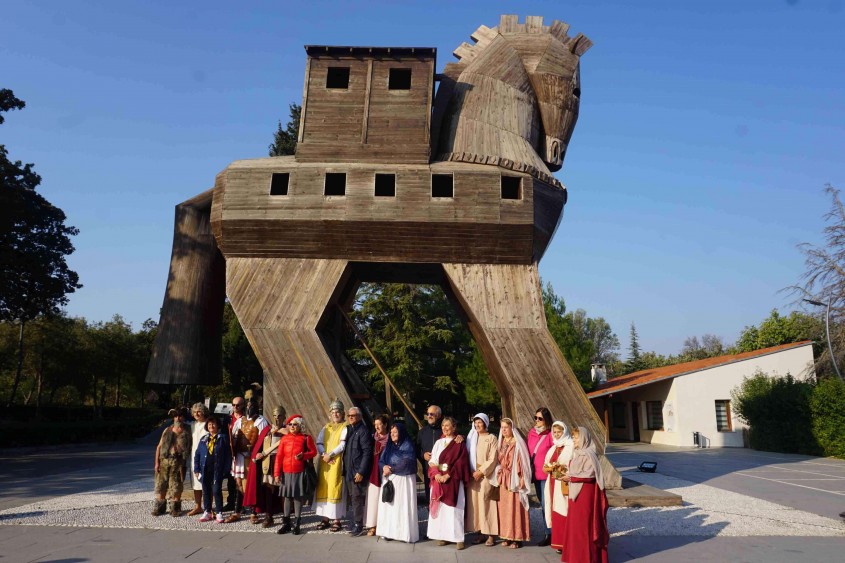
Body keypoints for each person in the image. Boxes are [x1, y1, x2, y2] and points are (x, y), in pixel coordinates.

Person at [560, 426, 609, 563]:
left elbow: (589, 475)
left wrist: (571, 477)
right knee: (575, 526)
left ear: (583, 438)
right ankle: (576, 557)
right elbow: (577, 472)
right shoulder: (578, 453)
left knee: (584, 527)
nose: (574, 440)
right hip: (576, 493)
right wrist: (568, 475)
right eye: (574, 437)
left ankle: (587, 558)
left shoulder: (589, 454)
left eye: (576, 437)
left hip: (585, 494)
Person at [427, 415, 470, 550]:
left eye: (447, 425)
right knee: (441, 509)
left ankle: (458, 538)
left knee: (454, 509)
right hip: (438, 479)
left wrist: (448, 475)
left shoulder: (459, 443)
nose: (444, 428)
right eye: (443, 426)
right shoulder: (439, 443)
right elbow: (433, 461)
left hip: (453, 479)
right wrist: (437, 474)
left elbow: (461, 462)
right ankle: (443, 535)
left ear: (454, 427)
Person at [228, 392, 269, 522]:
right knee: (238, 483)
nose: (250, 408)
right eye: (248, 405)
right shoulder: (240, 421)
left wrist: (260, 454)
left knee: (252, 485)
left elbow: (264, 439)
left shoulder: (261, 421)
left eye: (253, 405)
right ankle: (237, 511)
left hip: (252, 457)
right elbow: (234, 437)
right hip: (239, 455)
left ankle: (253, 513)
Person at [273, 414, 318, 535]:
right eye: (290, 424)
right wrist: (276, 473)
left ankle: (297, 523)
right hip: (286, 472)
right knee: (287, 497)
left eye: (295, 424)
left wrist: (304, 456)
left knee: (298, 497)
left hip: (300, 471)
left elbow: (314, 451)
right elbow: (279, 457)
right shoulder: (284, 439)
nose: (292, 426)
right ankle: (286, 523)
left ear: (300, 425)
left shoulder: (306, 438)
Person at [377, 422, 419, 543]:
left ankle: (402, 533)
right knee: (390, 507)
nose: (393, 434)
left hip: (403, 480)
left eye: (395, 432)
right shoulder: (389, 446)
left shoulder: (407, 445)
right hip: (390, 478)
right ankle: (389, 532)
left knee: (401, 506)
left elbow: (407, 462)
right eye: (391, 432)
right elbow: (381, 460)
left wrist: (392, 469)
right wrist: (384, 467)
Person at [244, 405, 285, 527]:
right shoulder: (267, 429)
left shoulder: (288, 430)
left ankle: (285, 515)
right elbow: (260, 445)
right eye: (275, 416)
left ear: (284, 416)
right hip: (268, 462)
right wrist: (257, 456)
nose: (277, 419)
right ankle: (269, 515)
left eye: (280, 416)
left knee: (283, 490)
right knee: (268, 488)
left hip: (282, 462)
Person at [496, 417, 531, 548]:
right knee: (504, 508)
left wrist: (522, 478)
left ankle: (517, 537)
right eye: (502, 427)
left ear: (512, 428)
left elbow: (524, 462)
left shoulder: (518, 443)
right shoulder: (502, 442)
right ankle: (506, 536)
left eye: (506, 427)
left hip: (514, 478)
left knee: (516, 507)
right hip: (504, 479)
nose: (504, 430)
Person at [314, 398, 348, 531]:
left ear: (343, 413)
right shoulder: (326, 427)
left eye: (338, 411)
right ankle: (325, 518)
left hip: (337, 462)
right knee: (324, 488)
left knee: (335, 488)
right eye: (333, 412)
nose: (335, 414)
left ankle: (337, 520)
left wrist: (330, 455)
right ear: (330, 414)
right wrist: (324, 455)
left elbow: (342, 444)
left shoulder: (345, 427)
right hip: (325, 462)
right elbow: (319, 442)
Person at [465, 412, 499, 546]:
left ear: (485, 423)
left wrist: (481, 471)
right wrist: (471, 471)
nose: (477, 425)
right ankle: (480, 532)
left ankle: (490, 534)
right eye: (476, 422)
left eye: (480, 422)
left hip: (485, 475)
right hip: (472, 475)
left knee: (487, 503)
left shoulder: (491, 438)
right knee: (475, 505)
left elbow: (493, 458)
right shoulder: (471, 438)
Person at [152, 407, 192, 517]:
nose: (178, 418)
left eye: (180, 416)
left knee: (176, 486)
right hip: (164, 461)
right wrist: (156, 463)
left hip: (179, 462)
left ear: (183, 417)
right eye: (175, 416)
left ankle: (175, 508)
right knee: (161, 485)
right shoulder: (167, 430)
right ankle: (160, 508)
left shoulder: (188, 430)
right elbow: (159, 447)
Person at [543, 421, 574, 554]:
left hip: (564, 484)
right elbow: (546, 463)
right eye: (554, 432)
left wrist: (563, 471)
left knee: (565, 511)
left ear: (564, 432)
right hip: (552, 483)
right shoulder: (553, 447)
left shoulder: (571, 446)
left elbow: (574, 464)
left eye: (559, 432)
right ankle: (559, 543)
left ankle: (569, 542)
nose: (556, 434)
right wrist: (548, 468)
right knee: (554, 511)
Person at [193, 416, 232, 523]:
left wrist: (226, 470)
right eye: (209, 424)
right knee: (206, 491)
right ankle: (207, 511)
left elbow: (228, 456)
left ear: (218, 425)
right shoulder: (204, 439)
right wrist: (196, 470)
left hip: (217, 470)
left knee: (216, 490)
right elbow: (197, 455)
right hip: (205, 469)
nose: (211, 426)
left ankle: (219, 512)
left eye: (214, 424)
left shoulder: (223, 438)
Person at [343, 406, 374, 536]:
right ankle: (356, 521)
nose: (350, 417)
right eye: (349, 415)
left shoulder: (363, 431)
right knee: (353, 498)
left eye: (353, 415)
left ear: (359, 416)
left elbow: (367, 453)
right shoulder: (350, 430)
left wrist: (361, 472)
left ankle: (358, 524)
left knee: (357, 498)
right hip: (350, 470)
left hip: (357, 472)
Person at [527, 407, 554, 546]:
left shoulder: (550, 434)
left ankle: (549, 533)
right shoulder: (531, 433)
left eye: (540, 418)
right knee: (542, 504)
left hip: (546, 475)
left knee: (546, 504)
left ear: (546, 420)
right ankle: (548, 532)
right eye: (535, 417)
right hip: (535, 475)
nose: (537, 421)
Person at [364, 414, 390, 536]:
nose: (377, 427)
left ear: (385, 424)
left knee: (386, 499)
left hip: (386, 473)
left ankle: (384, 525)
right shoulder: (371, 438)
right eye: (375, 425)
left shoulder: (391, 439)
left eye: (379, 424)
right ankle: (372, 525)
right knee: (373, 499)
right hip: (374, 472)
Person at [187, 402, 211, 517]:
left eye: (199, 411)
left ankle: (209, 507)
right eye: (194, 411)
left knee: (207, 482)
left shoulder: (209, 424)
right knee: (196, 483)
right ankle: (198, 506)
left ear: (204, 412)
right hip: (194, 457)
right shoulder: (193, 425)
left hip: (206, 456)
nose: (196, 413)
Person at [416, 405, 442, 504]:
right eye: (428, 414)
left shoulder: (445, 430)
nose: (429, 416)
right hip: (428, 471)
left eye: (432, 414)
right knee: (430, 497)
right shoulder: (422, 432)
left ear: (439, 415)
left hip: (442, 470)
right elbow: (416, 449)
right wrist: (423, 455)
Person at [223, 395, 245, 511]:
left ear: (243, 405)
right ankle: (231, 502)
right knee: (230, 480)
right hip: (229, 452)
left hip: (241, 453)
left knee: (240, 479)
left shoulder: (246, 418)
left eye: (238, 405)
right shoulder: (227, 419)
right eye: (233, 405)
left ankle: (241, 504)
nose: (235, 407)